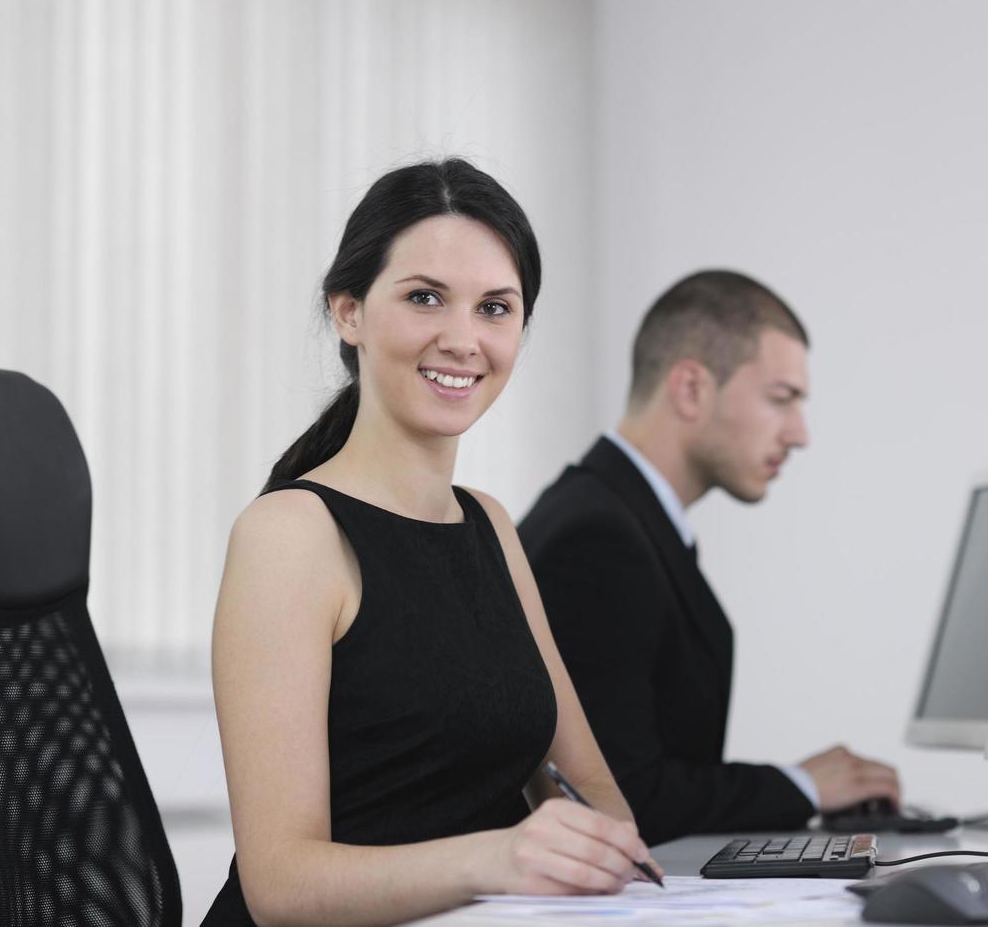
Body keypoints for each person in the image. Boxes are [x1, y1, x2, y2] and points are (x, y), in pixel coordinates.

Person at [203, 160, 654, 926]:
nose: (463, 339)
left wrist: (603, 856)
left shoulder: (491, 527)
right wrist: (497, 859)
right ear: (348, 313)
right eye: (424, 298)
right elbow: (278, 885)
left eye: (495, 308)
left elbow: (593, 792)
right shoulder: (290, 536)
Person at [518, 270, 902, 846]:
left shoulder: (616, 514)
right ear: (692, 388)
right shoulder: (598, 540)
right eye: (782, 399)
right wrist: (800, 785)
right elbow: (620, 801)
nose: (799, 434)